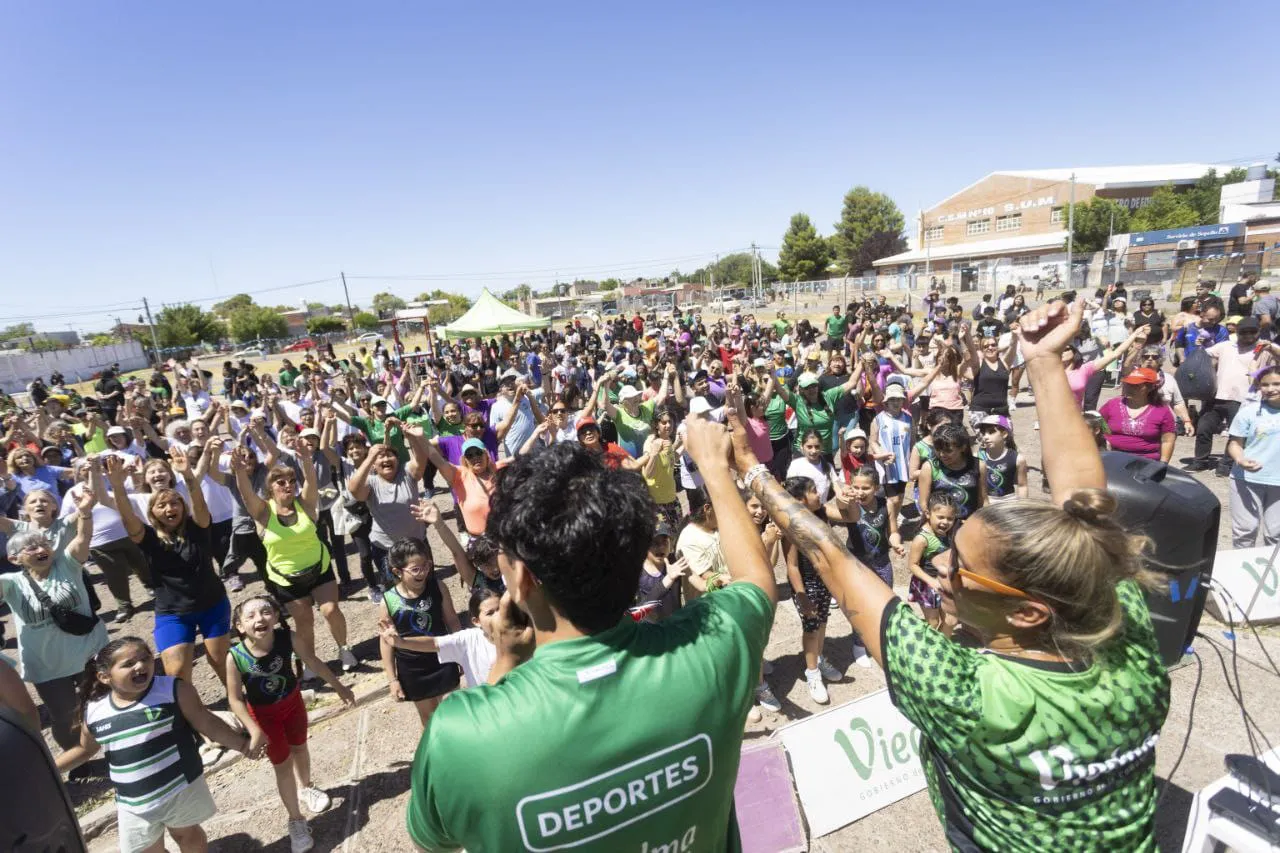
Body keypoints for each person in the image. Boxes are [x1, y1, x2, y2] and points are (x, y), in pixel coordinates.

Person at [730, 296, 1172, 850]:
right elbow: (1085, 504)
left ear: (1029, 611)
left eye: (960, 567)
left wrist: (751, 473)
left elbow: (833, 562)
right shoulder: (1119, 624)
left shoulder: (972, 694)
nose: (939, 564)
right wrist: (1042, 360)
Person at [406, 433, 778, 852]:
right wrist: (715, 467)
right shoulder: (713, 651)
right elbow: (758, 582)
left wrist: (506, 662)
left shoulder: (459, 734)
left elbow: (433, 843)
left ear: (523, 578)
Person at [56, 637, 250, 853]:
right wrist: (48, 770)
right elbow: (86, 749)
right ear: (104, 676)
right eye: (128, 664)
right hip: (133, 802)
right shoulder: (95, 710)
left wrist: (242, 746)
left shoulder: (172, 690)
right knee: (146, 850)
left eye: (145, 658)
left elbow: (206, 722)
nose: (140, 666)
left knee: (186, 834)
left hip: (178, 787)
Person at [225, 594, 353, 853]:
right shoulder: (235, 656)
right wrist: (254, 729)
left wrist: (338, 686)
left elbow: (313, 661)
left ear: (274, 616)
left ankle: (306, 788)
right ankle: (295, 820)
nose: (259, 618)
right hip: (264, 716)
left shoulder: (288, 638)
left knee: (300, 748)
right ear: (239, 626)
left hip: (293, 705)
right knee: (282, 765)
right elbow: (235, 699)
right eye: (250, 616)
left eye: (265, 612)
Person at [231, 446, 357, 674]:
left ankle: (344, 648)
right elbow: (246, 494)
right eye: (281, 482)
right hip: (286, 578)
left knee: (330, 610)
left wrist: (306, 459)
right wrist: (240, 472)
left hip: (319, 567)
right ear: (270, 489)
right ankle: (310, 661)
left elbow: (310, 479)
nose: (288, 485)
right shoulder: (263, 512)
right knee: (304, 620)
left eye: (291, 480)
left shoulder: (305, 504)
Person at [1, 494, 105, 754]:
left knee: (107, 703)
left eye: (43, 544)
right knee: (65, 718)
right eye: (31, 547)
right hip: (47, 665)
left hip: (89, 653)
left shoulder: (67, 564)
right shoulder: (11, 584)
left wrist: (84, 513)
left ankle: (121, 748)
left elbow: (83, 539)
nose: (40, 550)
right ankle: (80, 760)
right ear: (14, 558)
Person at [377, 537, 462, 727]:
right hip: (413, 669)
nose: (423, 572)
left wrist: (461, 653)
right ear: (397, 572)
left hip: (443, 658)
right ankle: (435, 756)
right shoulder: (388, 601)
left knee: (455, 713)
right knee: (429, 720)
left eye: (426, 565)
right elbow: (385, 642)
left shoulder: (437, 587)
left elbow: (452, 620)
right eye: (416, 569)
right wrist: (392, 680)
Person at [1188, 317, 1270, 474]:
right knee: (1204, 428)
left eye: (1252, 332)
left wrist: (1271, 347)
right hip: (1216, 395)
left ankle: (1226, 466)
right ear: (1237, 332)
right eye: (1243, 332)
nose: (1247, 335)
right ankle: (1200, 461)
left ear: (1258, 332)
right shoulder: (1225, 346)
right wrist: (1199, 345)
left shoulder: (1263, 349)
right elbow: (1202, 356)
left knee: (1236, 435)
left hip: (1243, 399)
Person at [844, 468, 902, 666]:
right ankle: (859, 643)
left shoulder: (887, 505)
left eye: (866, 488)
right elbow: (837, 508)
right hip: (858, 565)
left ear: (876, 487)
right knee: (860, 605)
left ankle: (880, 636)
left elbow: (893, 531)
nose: (860, 492)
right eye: (856, 487)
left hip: (882, 561)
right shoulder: (852, 507)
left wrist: (896, 542)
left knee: (885, 602)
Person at [1226, 364, 1280, 547]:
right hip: (1246, 480)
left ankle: (1273, 575)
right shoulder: (1248, 412)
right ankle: (1241, 574)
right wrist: (1240, 459)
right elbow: (1235, 443)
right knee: (1244, 533)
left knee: (1276, 535)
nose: (1270, 389)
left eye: (1276, 384)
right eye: (1265, 385)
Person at [1099, 368, 1176, 462]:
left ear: (1151, 387)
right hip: (1112, 457)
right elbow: (1098, 424)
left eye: (1136, 385)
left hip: (1145, 462)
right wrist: (1104, 440)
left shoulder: (1162, 411)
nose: (1129, 388)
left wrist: (1163, 464)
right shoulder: (1112, 404)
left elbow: (1167, 440)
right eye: (1128, 384)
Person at [917, 423, 986, 521]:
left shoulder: (978, 465)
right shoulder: (930, 467)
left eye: (948, 451)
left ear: (963, 447)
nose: (942, 454)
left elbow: (983, 501)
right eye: (938, 449)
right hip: (941, 525)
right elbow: (923, 503)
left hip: (969, 524)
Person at [977, 414, 1027, 501]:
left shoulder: (1017, 459)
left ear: (1004, 434)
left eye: (991, 432)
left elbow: (1022, 485)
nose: (985, 437)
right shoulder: (978, 457)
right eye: (983, 433)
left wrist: (1022, 507)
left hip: (1008, 501)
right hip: (985, 501)